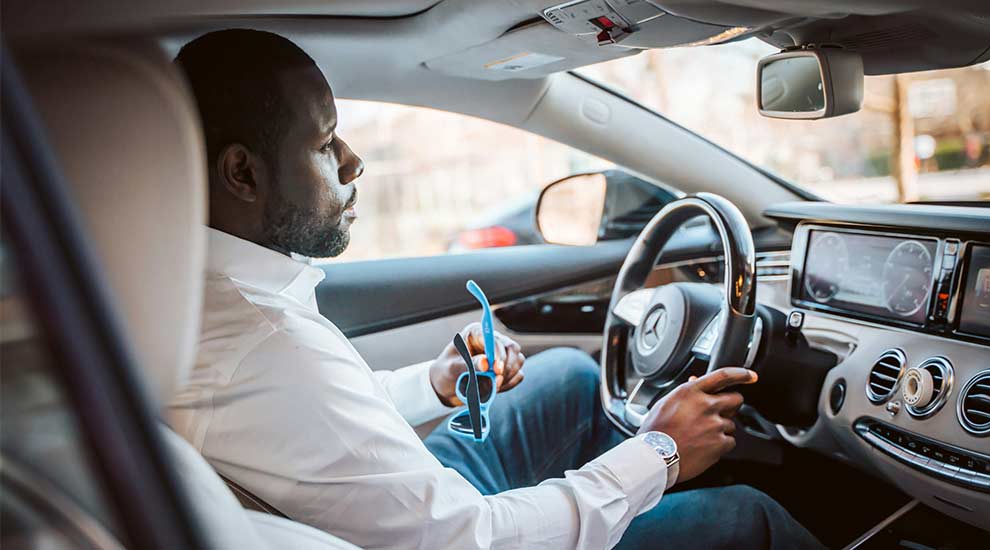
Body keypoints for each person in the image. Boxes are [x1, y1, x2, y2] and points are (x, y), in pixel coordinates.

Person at [167, 28, 823, 550]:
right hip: (454, 533)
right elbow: (468, 538)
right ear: (241, 174)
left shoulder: (199, 297)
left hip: (397, 512)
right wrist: (662, 452)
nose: (353, 161)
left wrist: (435, 383)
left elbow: (313, 432)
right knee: (746, 520)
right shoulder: (262, 345)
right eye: (324, 142)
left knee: (566, 374)